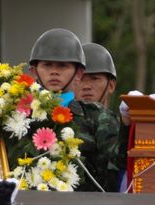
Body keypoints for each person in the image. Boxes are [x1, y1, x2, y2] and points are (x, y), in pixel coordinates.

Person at [29, 29, 121, 192]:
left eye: (63, 66)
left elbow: (114, 173)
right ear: (34, 71)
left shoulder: (98, 117)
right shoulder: (18, 115)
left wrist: (128, 126)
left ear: (78, 73)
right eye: (47, 65)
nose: (54, 71)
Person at [74, 43, 117, 108]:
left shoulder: (124, 118)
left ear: (111, 85)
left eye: (94, 78)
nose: (86, 86)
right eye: (80, 79)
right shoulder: (57, 117)